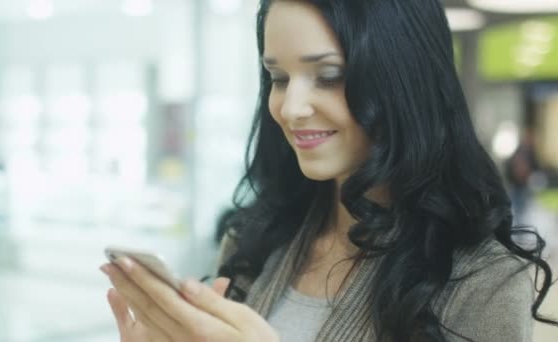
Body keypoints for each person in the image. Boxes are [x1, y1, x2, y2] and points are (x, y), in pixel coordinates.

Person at [99, 0, 558, 341]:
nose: (291, 107)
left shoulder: (484, 280)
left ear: (403, 82)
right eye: (278, 79)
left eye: (329, 76)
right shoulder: (256, 238)